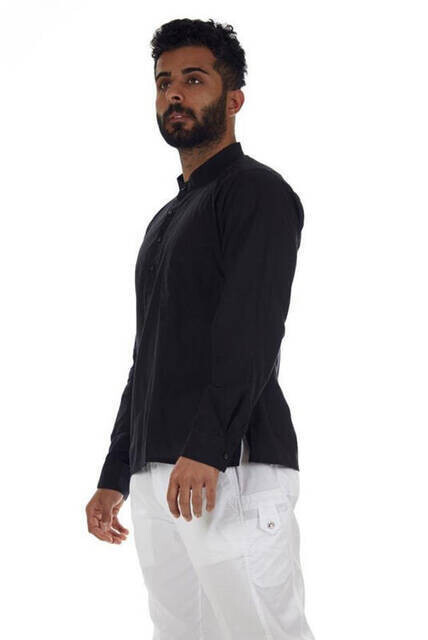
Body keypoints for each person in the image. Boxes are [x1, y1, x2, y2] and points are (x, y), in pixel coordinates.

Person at [86, 18, 316, 640]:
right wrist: (116, 472)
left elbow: (252, 330)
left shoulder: (257, 193)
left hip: (230, 464)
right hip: (159, 471)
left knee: (262, 631)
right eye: (164, 83)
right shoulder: (166, 219)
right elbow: (150, 355)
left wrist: (209, 447)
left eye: (193, 80)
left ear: (233, 99)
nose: (174, 95)